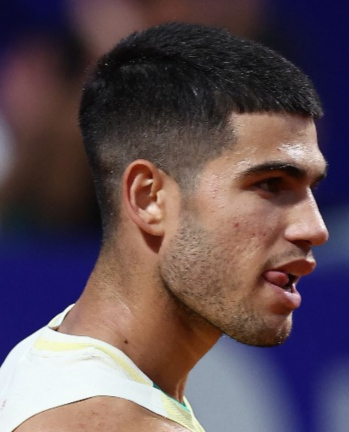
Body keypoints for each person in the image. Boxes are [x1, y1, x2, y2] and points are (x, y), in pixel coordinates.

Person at [0, 22, 329, 432]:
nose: (314, 229)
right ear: (149, 198)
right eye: (270, 185)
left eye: (310, 188)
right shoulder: (108, 421)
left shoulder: (54, 355)